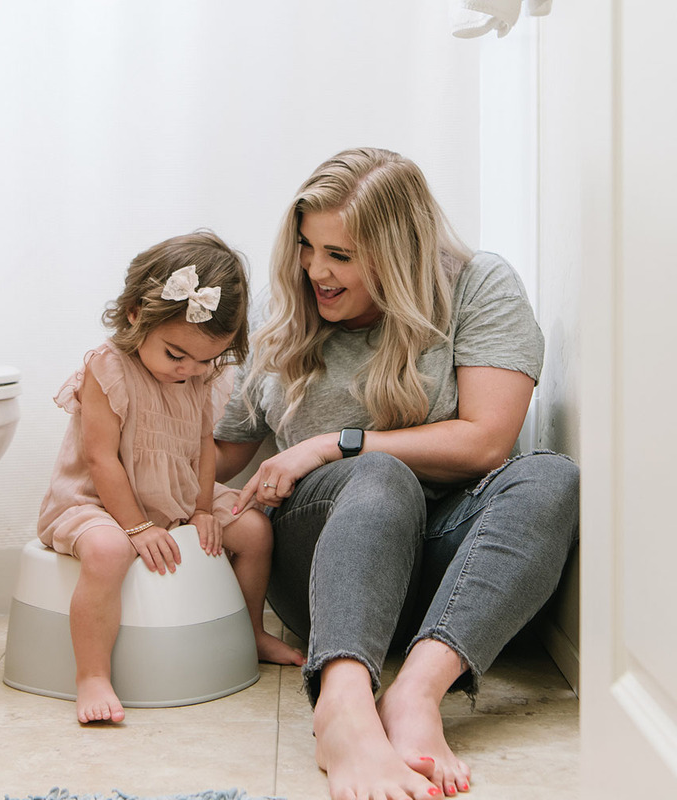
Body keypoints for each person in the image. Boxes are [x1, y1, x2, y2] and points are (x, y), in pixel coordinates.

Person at [214, 148, 579, 800]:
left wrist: (334, 441)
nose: (315, 270)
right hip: (325, 563)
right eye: (306, 246)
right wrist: (123, 405)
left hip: (450, 568)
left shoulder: (476, 285)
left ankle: (416, 694)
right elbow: (221, 453)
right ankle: (345, 706)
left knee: (551, 478)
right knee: (379, 474)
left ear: (400, 251)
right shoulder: (284, 308)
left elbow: (489, 440)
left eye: (341, 256)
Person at [38, 231, 305, 725]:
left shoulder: (198, 374)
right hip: (98, 498)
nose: (189, 369)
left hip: (176, 497)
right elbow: (101, 459)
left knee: (253, 529)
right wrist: (137, 527)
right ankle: (92, 674)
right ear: (138, 315)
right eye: (176, 354)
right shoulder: (107, 368)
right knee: (108, 551)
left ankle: (249, 633)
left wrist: (203, 508)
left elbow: (204, 443)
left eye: (206, 360)